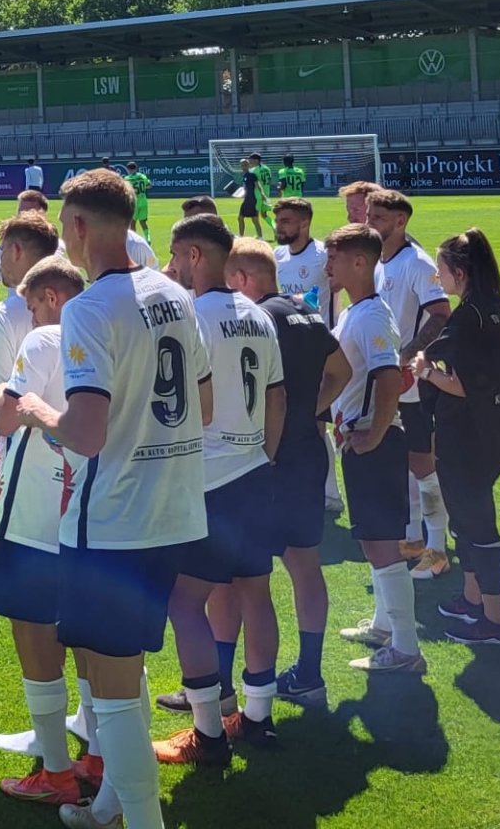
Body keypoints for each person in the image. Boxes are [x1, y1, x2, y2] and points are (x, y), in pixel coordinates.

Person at [40, 169, 209, 829]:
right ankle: (112, 806)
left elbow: (85, 433)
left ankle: (141, 820)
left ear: (81, 226)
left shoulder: (87, 308)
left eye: (64, 222)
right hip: (175, 509)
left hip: (113, 519)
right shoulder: (175, 294)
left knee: (110, 690)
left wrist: (37, 413)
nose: (62, 234)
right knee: (121, 668)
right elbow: (205, 403)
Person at [153, 215, 283, 767]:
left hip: (209, 480)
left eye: (175, 255)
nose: (171, 266)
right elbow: (277, 396)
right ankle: (257, 718)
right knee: (256, 593)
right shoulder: (259, 314)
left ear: (195, 255)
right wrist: (264, 456)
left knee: (184, 603)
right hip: (254, 473)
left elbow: (176, 404)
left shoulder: (191, 316)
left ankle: (207, 735)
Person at [225, 238, 348, 709]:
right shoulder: (307, 309)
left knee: (246, 577)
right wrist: (309, 410)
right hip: (307, 451)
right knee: (304, 564)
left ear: (241, 279)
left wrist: (272, 435)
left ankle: (236, 687)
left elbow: (264, 395)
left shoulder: (259, 319)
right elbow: (342, 370)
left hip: (270, 456)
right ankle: (310, 674)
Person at [0, 255, 92, 804]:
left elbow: (3, 417)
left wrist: (2, 389)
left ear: (52, 298)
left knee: (33, 632)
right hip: (94, 510)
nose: (29, 317)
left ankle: (55, 772)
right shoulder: (111, 333)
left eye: (32, 305)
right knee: (94, 638)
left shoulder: (44, 339)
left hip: (35, 512)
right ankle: (97, 753)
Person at [0, 211, 66, 765]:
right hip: (91, 483)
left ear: (14, 251)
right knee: (87, 617)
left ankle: (51, 751)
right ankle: (94, 733)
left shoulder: (8, 316)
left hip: (30, 479)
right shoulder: (90, 300)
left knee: (31, 618)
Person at [416, 228, 500, 646]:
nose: (437, 278)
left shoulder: (468, 317)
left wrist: (426, 371)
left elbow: (464, 385)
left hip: (467, 436)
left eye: (441, 270)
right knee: (467, 518)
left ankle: (496, 622)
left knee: (478, 525)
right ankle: (472, 599)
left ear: (460, 273)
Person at [325, 223, 421, 674]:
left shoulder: (370, 317)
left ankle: (406, 649)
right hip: (360, 438)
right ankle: (385, 626)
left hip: (373, 442)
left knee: (382, 546)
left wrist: (376, 434)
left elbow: (388, 377)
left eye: (334, 259)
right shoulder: (356, 311)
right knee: (371, 540)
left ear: (360, 262)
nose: (327, 267)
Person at [367, 188, 453, 578]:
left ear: (400, 221)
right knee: (404, 461)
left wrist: (409, 354)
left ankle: (438, 548)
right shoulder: (380, 262)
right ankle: (415, 538)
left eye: (379, 217)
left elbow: (441, 314)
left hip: (414, 382)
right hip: (391, 381)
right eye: (369, 215)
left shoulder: (416, 262)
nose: (369, 223)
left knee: (423, 464)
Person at [273, 196, 341, 512]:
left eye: (285, 221)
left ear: (305, 223)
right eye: (278, 220)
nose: (278, 226)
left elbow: (339, 291)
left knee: (316, 423)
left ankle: (330, 494)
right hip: (286, 351)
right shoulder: (277, 256)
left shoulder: (323, 256)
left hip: (318, 351)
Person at [0, 190, 49, 308]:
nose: (23, 217)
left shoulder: (56, 249)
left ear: (43, 215)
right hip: (14, 317)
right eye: (20, 212)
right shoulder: (4, 249)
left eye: (29, 212)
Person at [234, 158, 264, 238]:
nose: (243, 167)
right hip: (247, 199)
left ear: (248, 166)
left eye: (245, 165)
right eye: (242, 165)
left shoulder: (251, 175)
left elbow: (258, 186)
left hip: (251, 200)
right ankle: (242, 236)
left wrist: (262, 195)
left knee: (254, 219)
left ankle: (260, 237)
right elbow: (246, 188)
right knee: (241, 218)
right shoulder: (245, 176)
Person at [124, 164, 152, 241]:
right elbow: (149, 185)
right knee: (143, 221)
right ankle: (148, 238)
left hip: (134, 201)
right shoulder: (142, 176)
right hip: (143, 200)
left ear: (128, 169)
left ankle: (134, 240)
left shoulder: (127, 179)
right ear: (136, 168)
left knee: (133, 222)